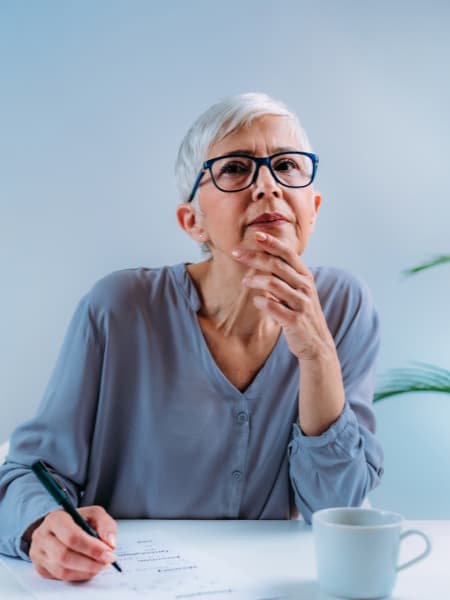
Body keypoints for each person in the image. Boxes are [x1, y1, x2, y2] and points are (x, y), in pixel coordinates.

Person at [0, 92, 384, 581]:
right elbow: (25, 476)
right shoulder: (119, 308)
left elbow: (336, 509)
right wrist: (42, 527)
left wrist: (316, 351)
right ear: (192, 220)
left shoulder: (345, 305)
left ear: (313, 206)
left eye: (286, 166)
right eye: (235, 169)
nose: (267, 187)